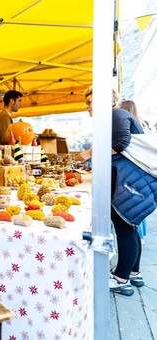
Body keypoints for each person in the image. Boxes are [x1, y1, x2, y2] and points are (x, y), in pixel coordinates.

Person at [80, 88, 157, 296]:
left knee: (124, 228)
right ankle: (133, 272)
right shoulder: (118, 115)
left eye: (90, 101)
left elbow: (122, 143)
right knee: (129, 228)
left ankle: (120, 280)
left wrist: (88, 153)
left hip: (130, 183)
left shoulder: (116, 114)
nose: (87, 106)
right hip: (132, 182)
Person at [120, 100, 147, 242]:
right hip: (141, 173)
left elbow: (121, 146)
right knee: (138, 212)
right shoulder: (140, 125)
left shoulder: (125, 127)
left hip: (130, 175)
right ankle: (140, 236)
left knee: (130, 220)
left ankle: (138, 236)